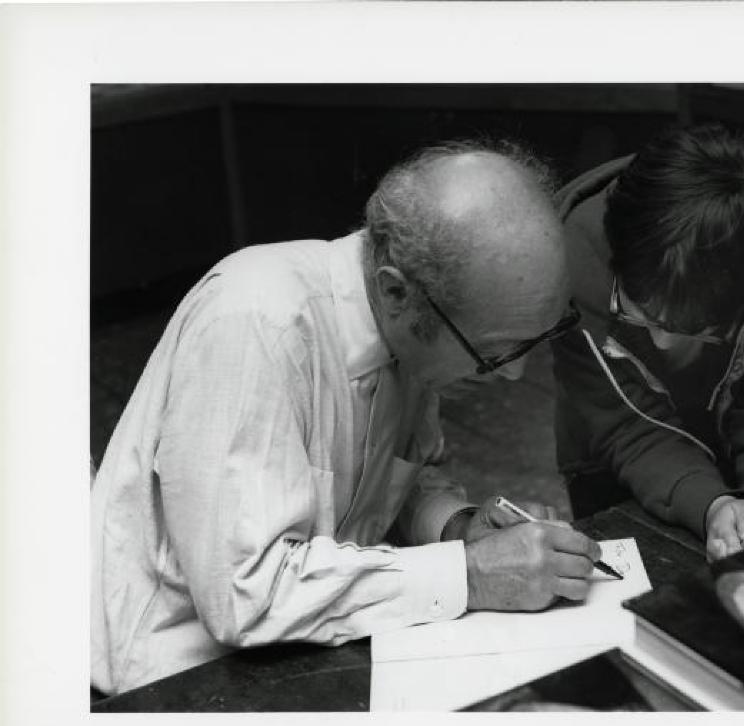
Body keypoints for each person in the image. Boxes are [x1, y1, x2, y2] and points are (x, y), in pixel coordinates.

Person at [91, 141, 600, 696]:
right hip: (174, 680)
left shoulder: (411, 324)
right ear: (396, 290)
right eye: (494, 350)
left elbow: (400, 480)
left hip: (308, 643)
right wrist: (472, 574)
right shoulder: (257, 324)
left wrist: (458, 526)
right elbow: (248, 595)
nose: (513, 375)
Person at [551, 123, 744, 562]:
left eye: (699, 332)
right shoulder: (566, 261)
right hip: (610, 459)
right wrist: (710, 503)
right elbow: (624, 425)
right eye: (641, 315)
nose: (660, 345)